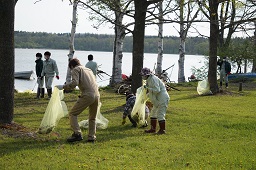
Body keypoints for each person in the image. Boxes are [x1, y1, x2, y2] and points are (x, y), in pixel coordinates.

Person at [55, 58, 100, 143]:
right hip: (97, 95)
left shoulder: (76, 69)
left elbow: (74, 83)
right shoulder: (88, 69)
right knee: (92, 118)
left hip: (88, 95)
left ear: (71, 66)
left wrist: (63, 86)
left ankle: (77, 133)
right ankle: (91, 137)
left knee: (72, 114)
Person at [140, 67, 170, 135]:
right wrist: (144, 98)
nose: (142, 76)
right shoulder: (149, 79)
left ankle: (162, 130)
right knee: (153, 114)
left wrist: (147, 88)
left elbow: (157, 90)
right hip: (157, 100)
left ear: (146, 75)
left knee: (160, 114)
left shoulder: (153, 79)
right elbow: (151, 92)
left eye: (143, 75)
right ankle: (153, 129)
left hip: (162, 99)